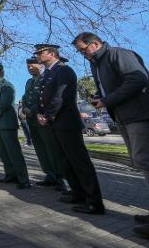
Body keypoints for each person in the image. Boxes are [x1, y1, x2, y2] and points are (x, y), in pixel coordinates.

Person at [72, 33, 149, 234]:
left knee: (146, 161)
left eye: (83, 50)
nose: (82, 55)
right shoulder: (96, 64)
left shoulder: (118, 54)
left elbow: (138, 78)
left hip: (140, 115)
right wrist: (101, 96)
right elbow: (112, 89)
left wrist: (107, 100)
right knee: (141, 162)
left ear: (95, 43)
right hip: (123, 118)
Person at [35, 43, 104, 215]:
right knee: (64, 161)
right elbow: (43, 97)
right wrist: (40, 113)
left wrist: (48, 115)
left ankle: (94, 202)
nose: (38, 55)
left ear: (52, 53)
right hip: (54, 122)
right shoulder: (49, 72)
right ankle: (78, 193)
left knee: (79, 161)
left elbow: (60, 97)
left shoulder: (63, 70)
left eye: (41, 52)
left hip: (66, 122)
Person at [21, 57, 64, 190]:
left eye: (32, 65)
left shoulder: (46, 77)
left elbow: (44, 98)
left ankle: (60, 177)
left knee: (51, 148)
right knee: (40, 149)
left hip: (42, 119)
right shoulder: (29, 82)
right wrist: (24, 108)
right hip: (31, 121)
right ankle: (49, 175)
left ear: (40, 65)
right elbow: (25, 97)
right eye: (28, 66)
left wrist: (32, 109)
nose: (29, 68)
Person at [0, 64, 30, 189]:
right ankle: (10, 174)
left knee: (14, 152)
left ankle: (23, 179)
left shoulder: (7, 86)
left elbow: (4, 104)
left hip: (6, 124)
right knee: (3, 152)